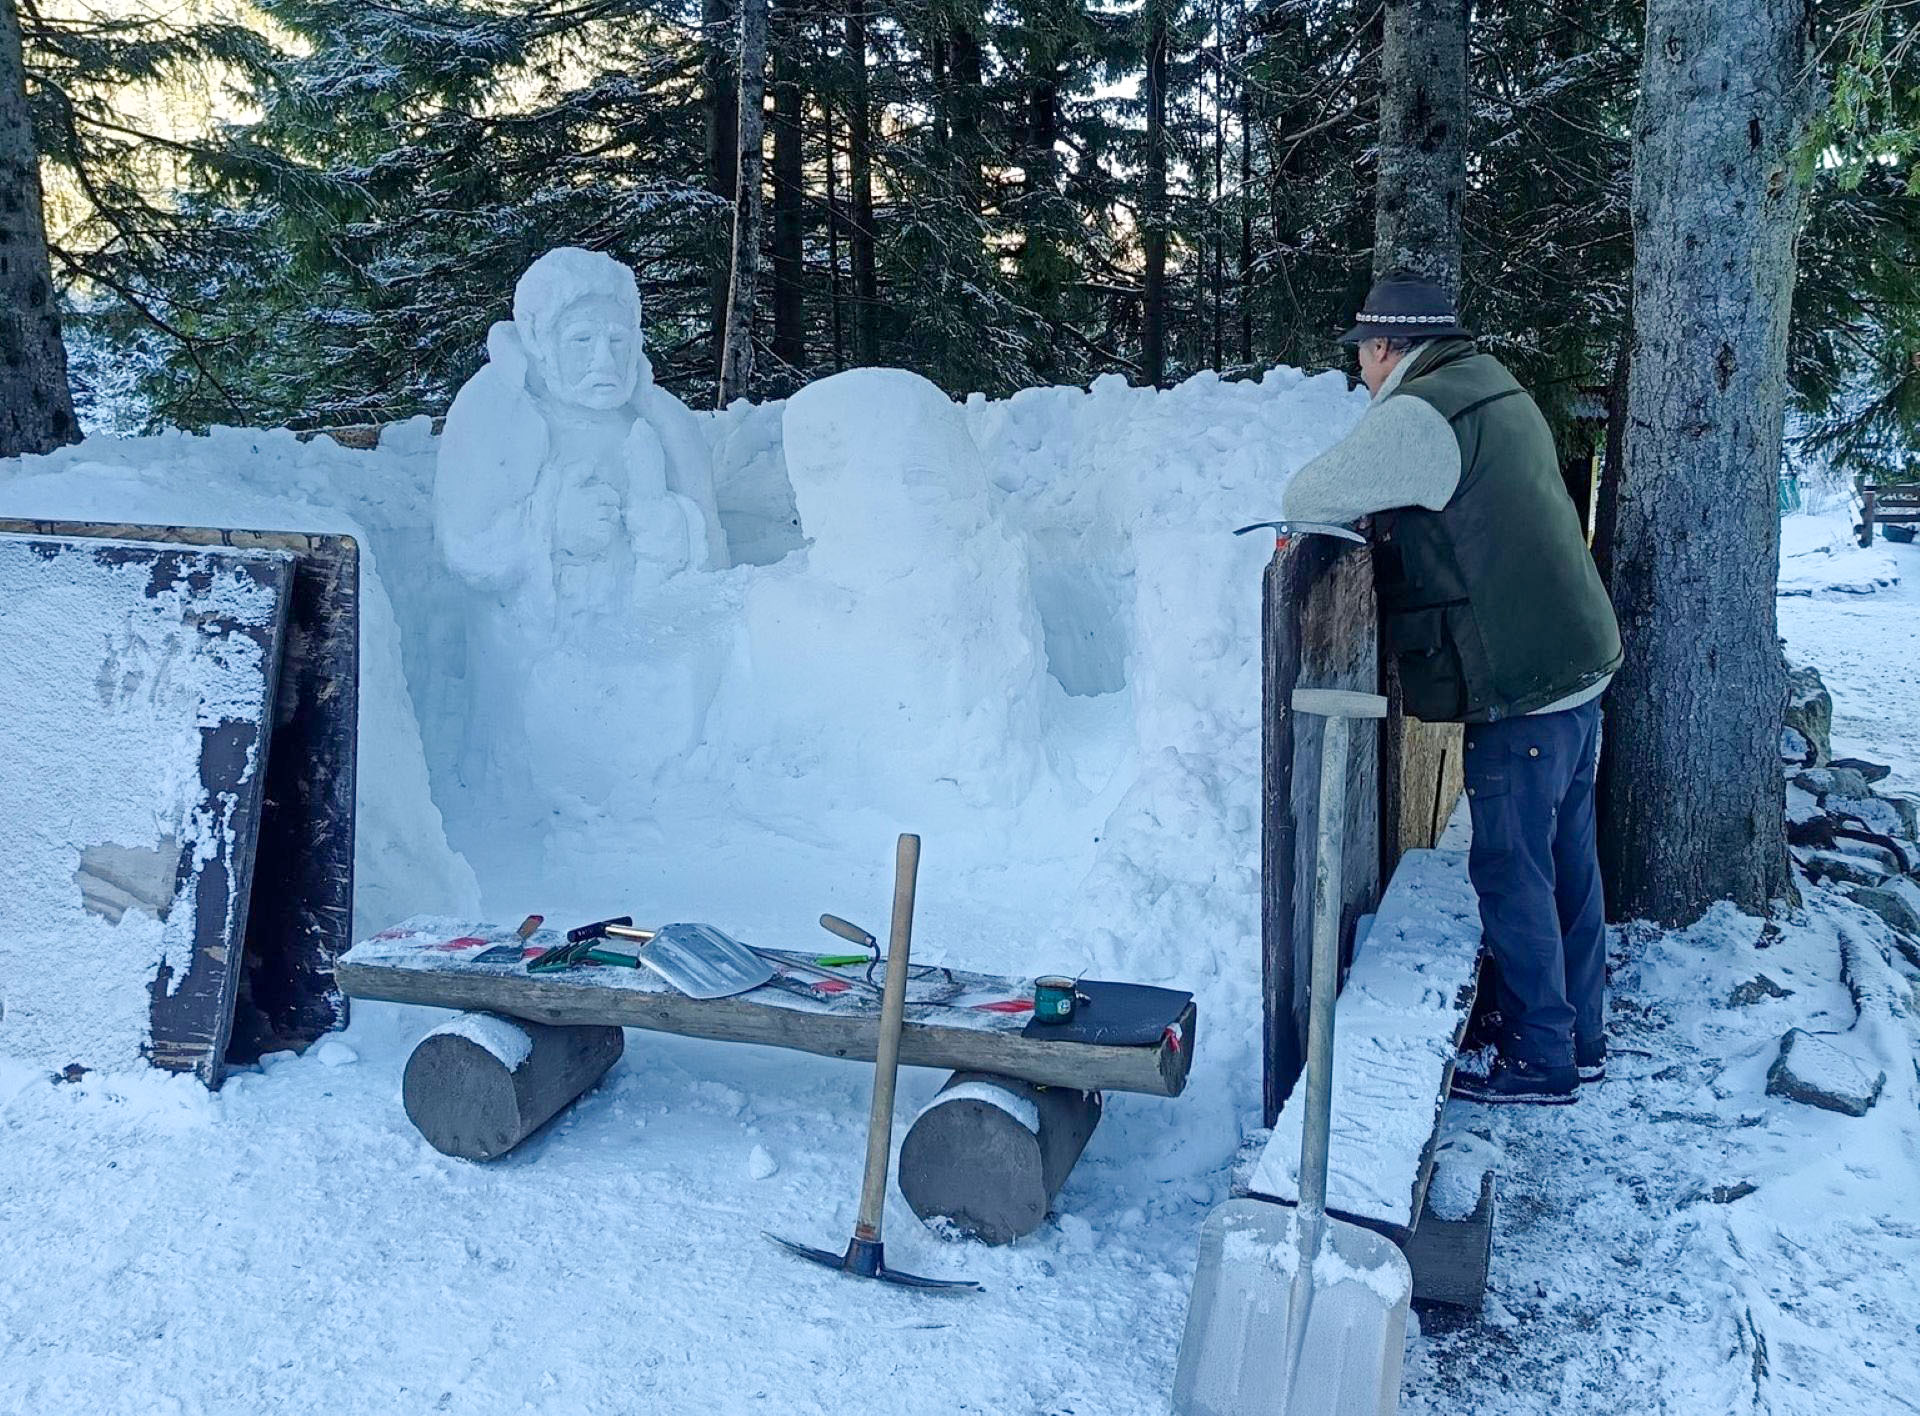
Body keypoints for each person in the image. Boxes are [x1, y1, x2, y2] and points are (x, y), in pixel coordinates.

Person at [1281, 269, 1623, 1105]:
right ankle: (1579, 1036)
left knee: (1511, 870)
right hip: (1578, 663)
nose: (1359, 370)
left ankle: (1540, 1060)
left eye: (1361, 353)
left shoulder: (1421, 414)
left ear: (1389, 346)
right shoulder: (1490, 383)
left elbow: (1307, 493)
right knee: (1567, 861)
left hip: (1524, 685)